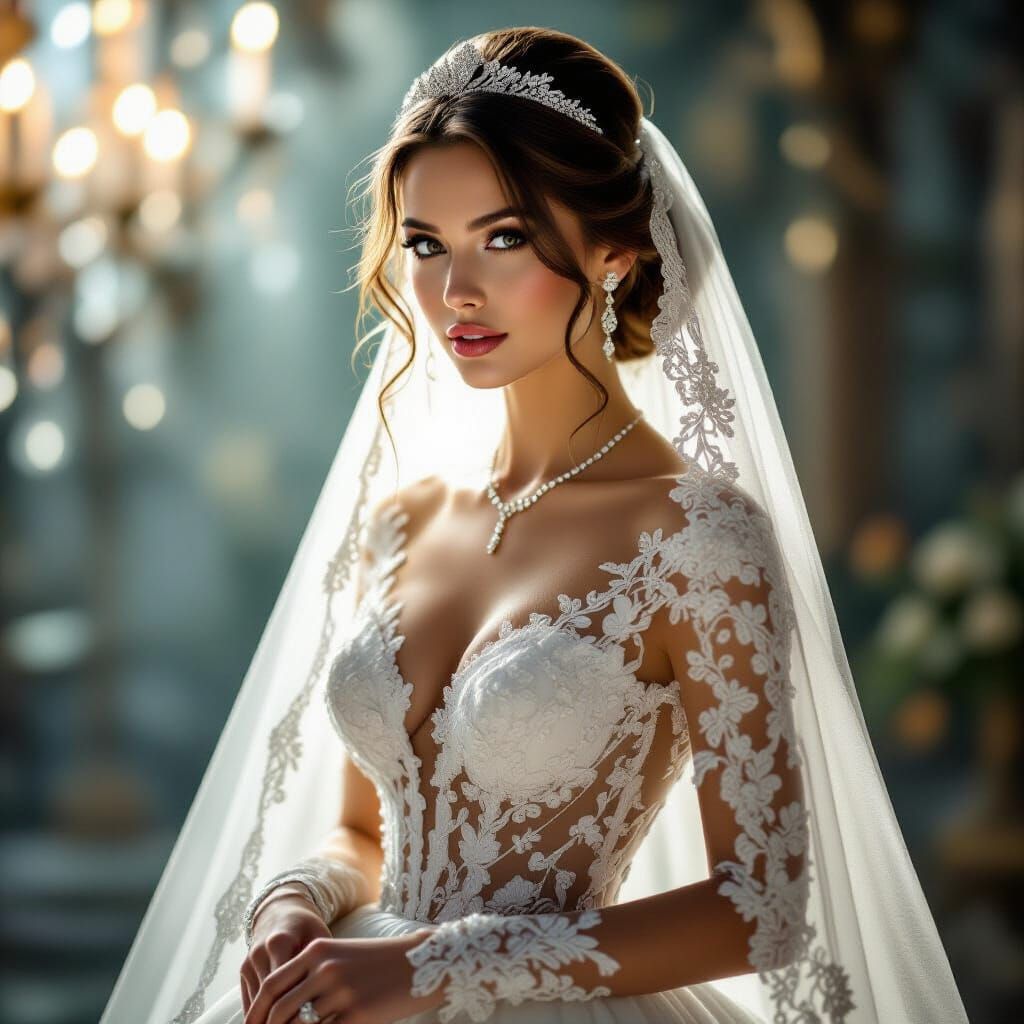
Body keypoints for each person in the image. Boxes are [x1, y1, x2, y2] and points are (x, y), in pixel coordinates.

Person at [99, 27, 970, 1024]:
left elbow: (760, 909)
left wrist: (433, 969)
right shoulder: (404, 515)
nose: (454, 290)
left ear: (615, 252)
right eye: (426, 244)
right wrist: (294, 901)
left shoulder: (700, 541)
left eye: (504, 237)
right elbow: (363, 830)